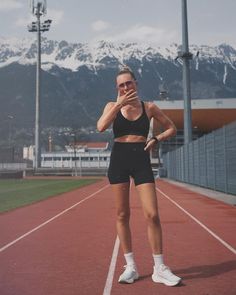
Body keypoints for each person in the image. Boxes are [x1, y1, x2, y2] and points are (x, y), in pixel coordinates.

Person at [97, 66, 181, 286]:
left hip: (141, 159)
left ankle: (159, 268)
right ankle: (131, 266)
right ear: (118, 88)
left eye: (129, 83)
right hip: (119, 159)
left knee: (152, 214)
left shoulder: (150, 107)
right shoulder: (111, 105)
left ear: (136, 83)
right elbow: (100, 126)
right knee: (122, 214)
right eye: (121, 85)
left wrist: (156, 139)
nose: (126, 87)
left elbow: (171, 127)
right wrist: (118, 105)